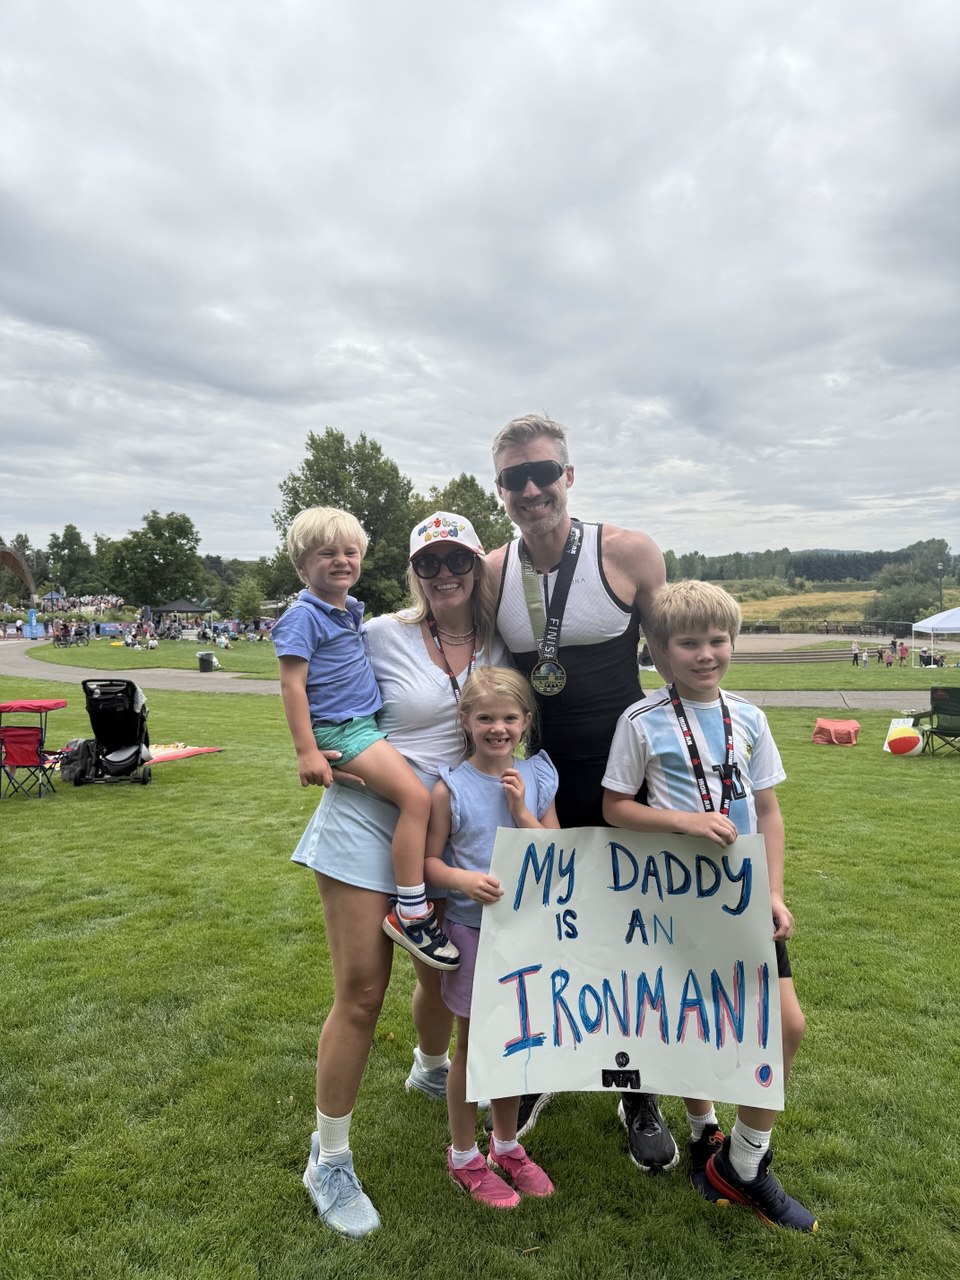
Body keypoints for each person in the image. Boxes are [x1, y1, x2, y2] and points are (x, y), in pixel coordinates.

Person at [288, 510, 508, 1238]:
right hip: (364, 820)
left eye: (458, 562)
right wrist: (317, 753)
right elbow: (304, 682)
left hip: (450, 828)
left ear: (478, 566)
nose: (444, 575)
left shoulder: (502, 641)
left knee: (440, 975)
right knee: (360, 992)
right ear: (414, 573)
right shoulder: (376, 630)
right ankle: (330, 1157)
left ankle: (428, 1065)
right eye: (429, 564)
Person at [486, 412, 678, 1171]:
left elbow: (673, 661)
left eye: (542, 472)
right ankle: (543, 1067)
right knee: (548, 928)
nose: (530, 488)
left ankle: (636, 1086)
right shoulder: (495, 571)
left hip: (628, 774)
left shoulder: (626, 551)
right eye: (513, 477)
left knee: (632, 933)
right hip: (540, 776)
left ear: (569, 476)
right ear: (499, 490)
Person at [602, 580, 816, 1232]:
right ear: (659, 654)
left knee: (786, 1026)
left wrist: (774, 890)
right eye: (688, 643)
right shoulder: (641, 720)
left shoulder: (749, 717)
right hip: (675, 898)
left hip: (744, 897)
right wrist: (686, 824)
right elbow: (615, 808)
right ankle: (704, 1134)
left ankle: (745, 1163)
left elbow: (770, 811)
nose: (705, 653)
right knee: (692, 1023)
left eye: (717, 639)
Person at [273, 506, 459, 972]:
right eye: (326, 553)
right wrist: (307, 752)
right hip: (344, 729)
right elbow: (292, 685)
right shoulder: (303, 616)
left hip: (362, 725)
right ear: (301, 565)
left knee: (420, 799)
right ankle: (413, 912)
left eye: (349, 552)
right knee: (417, 799)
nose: (341, 560)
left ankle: (414, 905)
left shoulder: (349, 611)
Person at [424, 667, 559, 1208]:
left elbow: (556, 848)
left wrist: (521, 810)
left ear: (525, 722)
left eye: (509, 717)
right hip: (473, 933)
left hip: (527, 934)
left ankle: (506, 1145)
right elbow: (431, 863)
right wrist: (462, 880)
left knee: (515, 1044)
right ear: (466, 721)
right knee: (473, 1045)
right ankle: (463, 1155)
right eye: (485, 717)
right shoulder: (449, 788)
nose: (498, 728)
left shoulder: (539, 777)